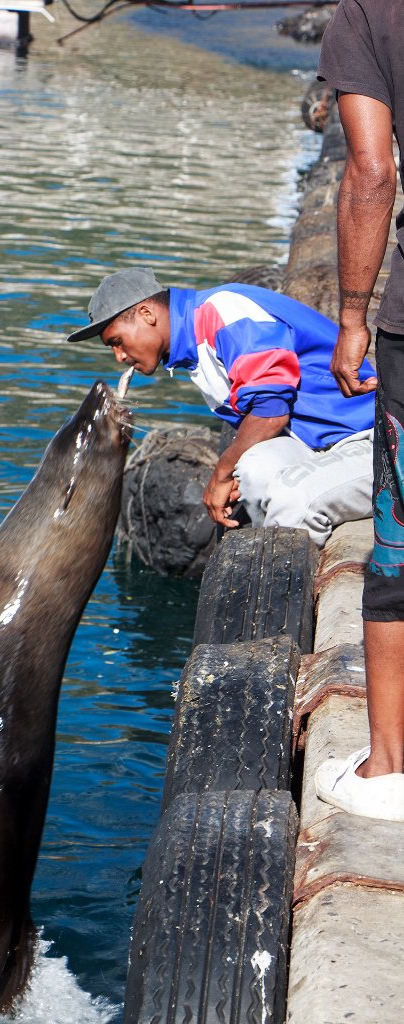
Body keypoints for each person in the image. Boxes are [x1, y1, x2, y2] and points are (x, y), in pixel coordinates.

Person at [66, 266, 375, 549]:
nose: (119, 356)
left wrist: (221, 473)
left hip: (374, 439)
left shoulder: (224, 310)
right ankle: (270, 558)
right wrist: (233, 472)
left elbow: (271, 410)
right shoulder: (192, 352)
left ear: (147, 313)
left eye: (117, 341)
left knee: (292, 499)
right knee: (253, 473)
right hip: (317, 444)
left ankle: (282, 592)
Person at [311, 0, 404, 821]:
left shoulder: (365, 16)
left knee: (398, 539)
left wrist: (349, 315)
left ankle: (387, 766)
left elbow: (370, 173)